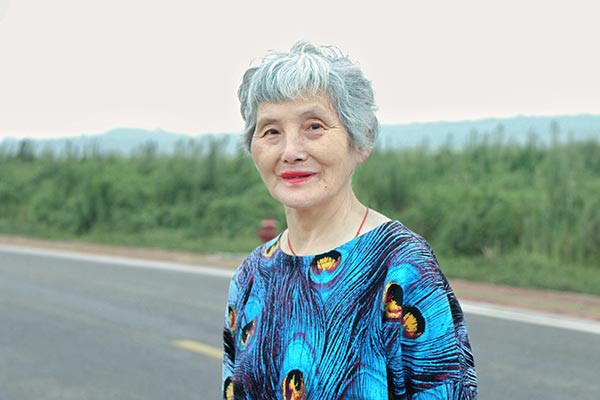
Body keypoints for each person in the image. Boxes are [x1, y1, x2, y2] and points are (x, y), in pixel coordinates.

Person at [223, 42, 477, 399]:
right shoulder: (251, 276)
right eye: (271, 131)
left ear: (360, 142)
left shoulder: (401, 266)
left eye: (314, 126)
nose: (291, 151)